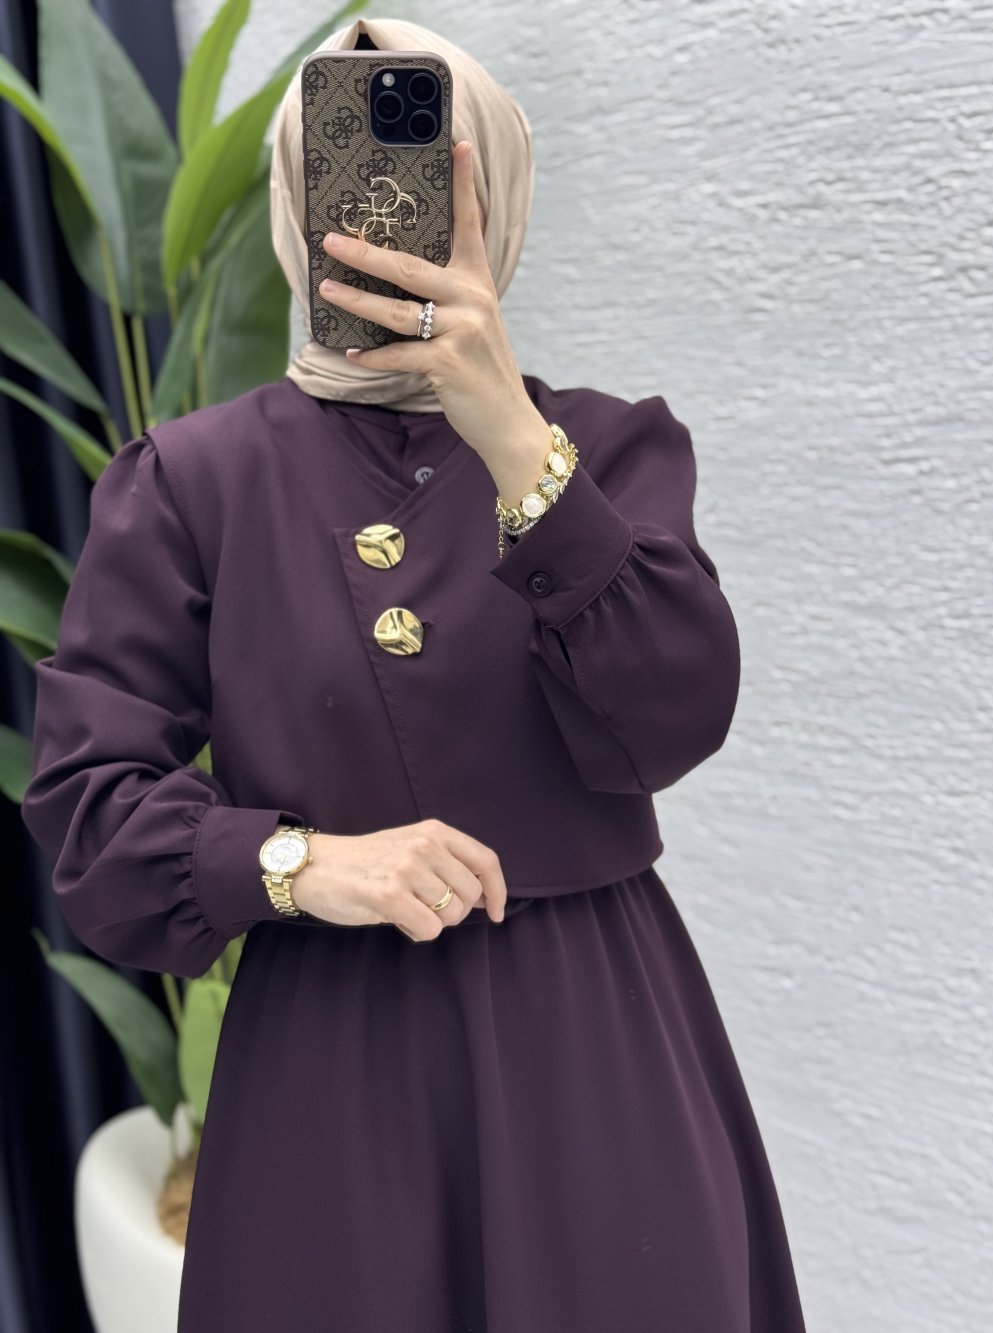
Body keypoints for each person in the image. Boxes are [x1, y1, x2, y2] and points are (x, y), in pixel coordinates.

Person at [20, 14, 808, 1332]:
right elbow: (89, 818)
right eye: (351, 168)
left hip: (597, 1055)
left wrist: (514, 440)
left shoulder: (607, 451)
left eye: (437, 177)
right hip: (331, 1080)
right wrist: (300, 861)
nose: (387, 214)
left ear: (497, 195)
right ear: (299, 198)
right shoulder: (193, 483)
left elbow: (676, 717)